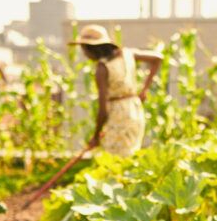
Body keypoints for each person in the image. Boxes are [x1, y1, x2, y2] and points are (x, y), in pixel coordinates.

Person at [69, 24, 162, 157]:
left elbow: (103, 109)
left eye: (84, 49)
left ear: (92, 48)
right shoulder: (127, 54)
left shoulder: (102, 68)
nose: (84, 54)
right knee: (130, 156)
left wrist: (95, 136)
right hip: (134, 110)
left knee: (114, 160)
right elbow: (158, 58)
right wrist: (144, 90)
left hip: (118, 116)